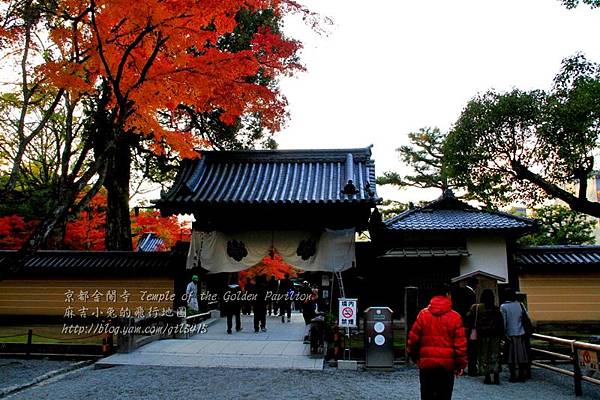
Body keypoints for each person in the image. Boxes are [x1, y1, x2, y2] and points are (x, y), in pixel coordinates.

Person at [407, 283, 467, 400]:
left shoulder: (423, 315)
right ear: (448, 295)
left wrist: (415, 357)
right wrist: (460, 364)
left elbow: (413, 340)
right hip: (447, 366)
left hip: (427, 365)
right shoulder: (455, 317)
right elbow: (460, 346)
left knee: (427, 395)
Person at [466, 289, 504, 385]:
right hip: (495, 335)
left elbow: (468, 317)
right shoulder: (496, 309)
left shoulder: (477, 307)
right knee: (495, 354)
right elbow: (500, 323)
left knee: (483, 355)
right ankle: (496, 375)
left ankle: (487, 376)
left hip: (482, 334)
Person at [501, 288, 530, 383]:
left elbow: (504, 322)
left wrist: (503, 333)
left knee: (511, 356)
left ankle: (513, 375)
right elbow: (526, 317)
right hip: (521, 333)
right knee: (521, 356)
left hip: (510, 333)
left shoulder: (504, 307)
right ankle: (522, 374)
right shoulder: (520, 305)